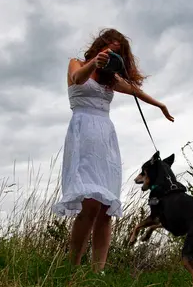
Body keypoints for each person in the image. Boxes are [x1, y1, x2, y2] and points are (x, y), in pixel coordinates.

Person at [52, 28, 174, 272]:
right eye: (110, 49)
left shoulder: (111, 79)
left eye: (117, 53)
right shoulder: (77, 64)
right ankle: (72, 269)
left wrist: (160, 105)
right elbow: (77, 79)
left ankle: (99, 272)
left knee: (106, 209)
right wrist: (94, 64)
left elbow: (136, 91)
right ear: (100, 46)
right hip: (83, 133)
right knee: (90, 204)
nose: (111, 55)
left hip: (106, 138)